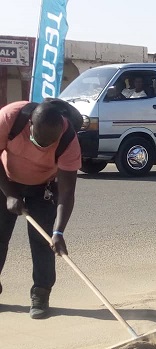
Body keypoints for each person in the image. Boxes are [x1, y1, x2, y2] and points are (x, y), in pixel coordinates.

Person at [0, 100, 81, 319]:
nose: (44, 147)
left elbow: (67, 192)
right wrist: (10, 194)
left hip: (44, 186)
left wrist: (59, 231)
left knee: (44, 241)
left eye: (49, 144)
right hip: (5, 181)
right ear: (30, 125)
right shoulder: (10, 118)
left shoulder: (68, 139)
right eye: (40, 141)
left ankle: (41, 294)